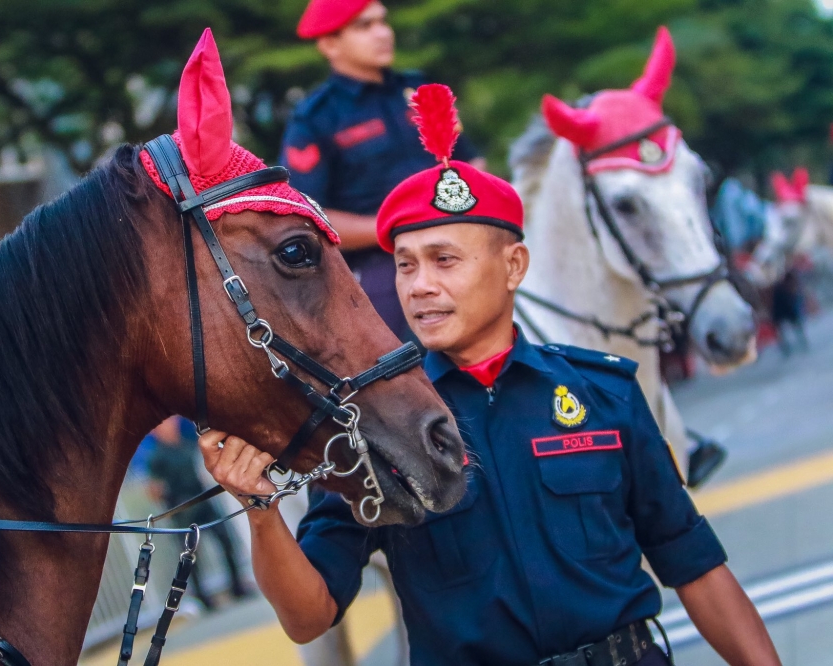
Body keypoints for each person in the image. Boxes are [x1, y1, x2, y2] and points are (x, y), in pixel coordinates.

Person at [198, 85, 781, 665]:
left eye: (444, 260)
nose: (420, 284)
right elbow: (309, 617)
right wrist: (261, 510)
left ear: (513, 267)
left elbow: (695, 565)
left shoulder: (606, 393)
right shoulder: (371, 430)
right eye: (406, 265)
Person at [281, 0, 484, 339]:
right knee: (401, 363)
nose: (383, 33)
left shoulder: (418, 89)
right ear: (329, 44)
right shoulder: (316, 117)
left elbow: (472, 160)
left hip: (458, 239)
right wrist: (396, 227)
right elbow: (305, 215)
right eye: (365, 26)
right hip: (381, 265)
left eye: (382, 22)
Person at [144, 417, 248, 610]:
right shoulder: (156, 457)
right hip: (182, 507)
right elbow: (153, 490)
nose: (170, 426)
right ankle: (202, 598)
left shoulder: (187, 443)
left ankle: (237, 585)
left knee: (225, 540)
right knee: (191, 557)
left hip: (202, 500)